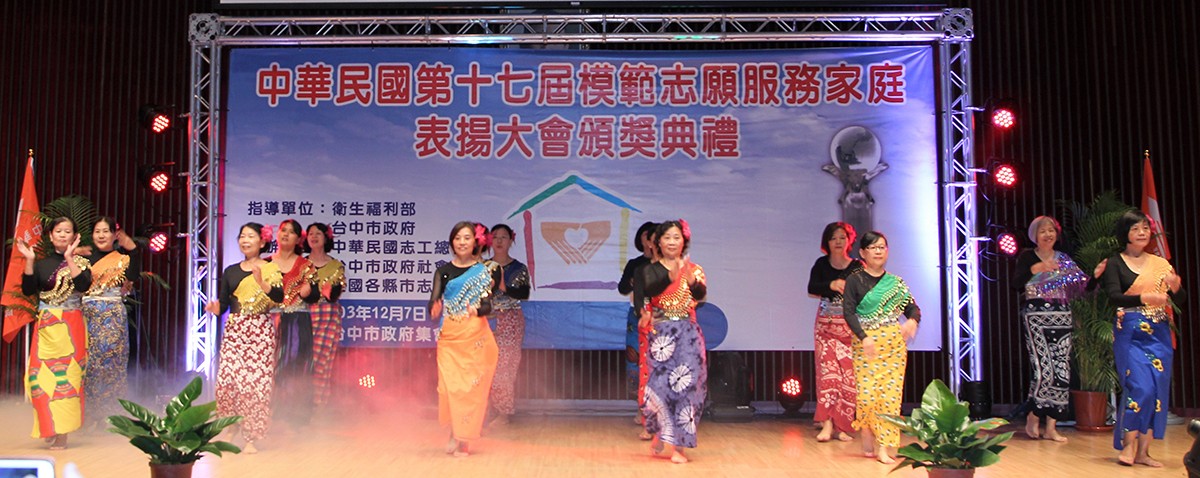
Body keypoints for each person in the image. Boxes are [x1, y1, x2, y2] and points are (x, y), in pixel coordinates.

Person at [1100, 210, 1186, 467]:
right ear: (1125, 233)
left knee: (1156, 390)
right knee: (1140, 388)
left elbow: (1180, 299)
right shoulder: (1115, 262)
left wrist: (1176, 287)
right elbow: (1114, 297)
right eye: (1135, 228)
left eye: (1145, 228)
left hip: (1158, 332)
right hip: (1130, 331)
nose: (1142, 233)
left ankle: (1144, 452)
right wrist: (1143, 298)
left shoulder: (1161, 264)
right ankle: (1128, 445)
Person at [841, 231, 920, 464]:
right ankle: (866, 428)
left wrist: (912, 321)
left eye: (882, 247)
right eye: (873, 247)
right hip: (866, 346)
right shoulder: (855, 280)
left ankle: (885, 446)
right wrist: (863, 337)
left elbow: (912, 308)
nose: (878, 251)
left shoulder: (896, 283)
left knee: (890, 398)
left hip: (893, 347)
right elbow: (848, 312)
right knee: (867, 397)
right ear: (862, 253)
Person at [204, 223, 283, 454]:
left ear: (262, 241)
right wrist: (215, 309)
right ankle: (231, 426)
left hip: (260, 331)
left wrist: (262, 282)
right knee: (227, 383)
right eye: (242, 236)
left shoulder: (270, 269)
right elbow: (224, 305)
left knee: (256, 386)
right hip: (235, 330)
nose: (245, 240)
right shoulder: (230, 271)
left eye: (250, 236)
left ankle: (252, 437)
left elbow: (279, 296)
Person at [1010, 216, 1089, 442]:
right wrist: (1035, 268)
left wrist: (1098, 275)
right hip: (1036, 316)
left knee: (1062, 370)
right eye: (1043, 231)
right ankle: (1034, 415)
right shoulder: (1027, 257)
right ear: (1035, 235)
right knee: (1044, 369)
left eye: (1051, 230)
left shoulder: (1063, 259)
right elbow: (1016, 284)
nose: (1048, 234)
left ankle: (1052, 426)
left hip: (1062, 315)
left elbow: (1082, 285)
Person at [17, 217, 92, 450]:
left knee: (67, 381)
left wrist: (69, 258)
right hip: (47, 327)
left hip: (72, 327)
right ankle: (49, 426)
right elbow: (28, 290)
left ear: (74, 236)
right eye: (58, 231)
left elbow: (83, 286)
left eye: (67, 231)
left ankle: (62, 434)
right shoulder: (41, 264)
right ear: (50, 236)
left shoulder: (82, 263)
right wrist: (29, 261)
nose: (62, 234)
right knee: (38, 380)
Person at [636, 219, 707, 464]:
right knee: (660, 386)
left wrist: (690, 280)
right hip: (661, 335)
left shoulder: (694, 269)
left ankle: (680, 448)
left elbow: (700, 295)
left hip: (688, 333)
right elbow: (650, 289)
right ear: (659, 242)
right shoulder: (650, 270)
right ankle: (660, 431)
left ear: (683, 241)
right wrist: (670, 276)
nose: (672, 242)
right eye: (667, 237)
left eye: (677, 237)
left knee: (687, 387)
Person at [428, 222, 501, 457]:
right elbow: (434, 301)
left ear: (474, 242)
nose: (462, 242)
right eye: (458, 238)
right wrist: (434, 308)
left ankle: (464, 439)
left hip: (474, 335)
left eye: (467, 238)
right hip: (449, 336)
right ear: (452, 242)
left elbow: (488, 306)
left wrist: (476, 310)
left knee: (469, 390)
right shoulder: (443, 272)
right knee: (449, 388)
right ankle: (454, 431)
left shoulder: (482, 272)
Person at [81, 217, 142, 427]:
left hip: (112, 316)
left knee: (111, 364)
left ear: (115, 235)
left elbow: (133, 275)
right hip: (86, 315)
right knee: (89, 364)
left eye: (105, 231)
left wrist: (133, 249)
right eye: (97, 231)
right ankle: (87, 415)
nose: (101, 235)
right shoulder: (82, 259)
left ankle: (110, 415)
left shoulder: (122, 259)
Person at [806, 221, 863, 443]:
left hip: (850, 330)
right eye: (833, 238)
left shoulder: (857, 266)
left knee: (848, 379)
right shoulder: (821, 264)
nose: (838, 242)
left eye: (842, 237)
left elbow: (865, 294)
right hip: (826, 328)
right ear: (827, 242)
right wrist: (831, 285)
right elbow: (812, 288)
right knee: (829, 377)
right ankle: (827, 424)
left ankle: (843, 426)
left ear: (849, 240)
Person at [268, 219, 318, 426]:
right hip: (268, 322)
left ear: (299, 239)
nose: (286, 234)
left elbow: (315, 295)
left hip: (297, 322)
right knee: (267, 367)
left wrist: (308, 293)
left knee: (294, 367)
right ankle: (265, 416)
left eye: (291, 232)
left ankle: (293, 417)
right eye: (283, 230)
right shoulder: (266, 264)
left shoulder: (306, 266)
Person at [486, 223, 530, 427]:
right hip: (484, 321)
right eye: (495, 237)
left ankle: (503, 412)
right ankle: (484, 410)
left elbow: (524, 293)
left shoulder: (518, 268)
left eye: (504, 237)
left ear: (511, 240)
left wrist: (503, 286)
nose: (499, 241)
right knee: (483, 367)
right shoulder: (482, 267)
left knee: (504, 368)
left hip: (509, 320)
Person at [306, 222, 344, 409]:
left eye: (318, 233)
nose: (313, 237)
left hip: (328, 317)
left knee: (322, 364)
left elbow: (335, 293)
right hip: (304, 316)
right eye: (310, 234)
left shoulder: (336, 265)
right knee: (305, 362)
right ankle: (302, 404)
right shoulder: (300, 264)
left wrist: (328, 292)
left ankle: (319, 405)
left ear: (326, 237)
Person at [619, 221, 658, 401]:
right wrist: (633, 281)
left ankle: (659, 401)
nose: (649, 237)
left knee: (659, 357)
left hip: (660, 316)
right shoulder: (634, 264)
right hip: (637, 314)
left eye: (653, 234)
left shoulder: (665, 263)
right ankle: (640, 401)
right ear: (640, 240)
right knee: (635, 356)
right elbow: (622, 288)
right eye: (645, 234)